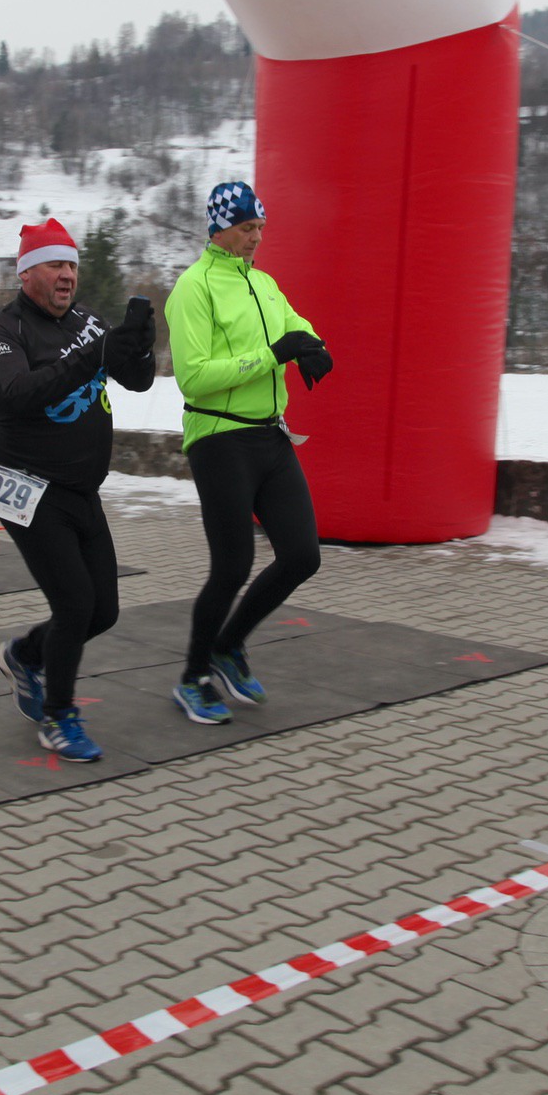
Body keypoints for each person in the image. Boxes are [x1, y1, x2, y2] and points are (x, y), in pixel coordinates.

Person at [0, 217, 155, 761]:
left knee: (103, 611)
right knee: (76, 604)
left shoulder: (88, 321)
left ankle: (26, 655)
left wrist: (139, 347)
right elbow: (18, 396)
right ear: (27, 273)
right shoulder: (3, 330)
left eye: (73, 265)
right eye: (55, 264)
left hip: (80, 488)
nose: (67, 275)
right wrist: (93, 355)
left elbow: (138, 381)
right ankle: (58, 717)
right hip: (25, 486)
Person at [164, 181, 333, 724]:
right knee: (232, 566)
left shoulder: (263, 283)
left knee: (303, 556)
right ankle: (192, 679)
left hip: (270, 436)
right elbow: (193, 378)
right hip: (219, 439)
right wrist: (272, 356)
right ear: (219, 229)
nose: (256, 238)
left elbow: (295, 326)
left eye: (260, 227)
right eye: (246, 228)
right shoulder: (193, 288)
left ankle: (228, 645)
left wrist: (313, 348)